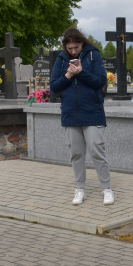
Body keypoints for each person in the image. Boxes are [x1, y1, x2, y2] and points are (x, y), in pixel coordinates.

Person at [49, 27, 113, 206]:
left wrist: (81, 73)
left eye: (76, 47)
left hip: (92, 112)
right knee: (76, 154)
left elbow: (100, 81)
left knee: (97, 151)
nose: (73, 51)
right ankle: (80, 189)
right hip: (70, 113)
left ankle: (107, 189)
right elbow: (54, 86)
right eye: (70, 48)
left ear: (82, 43)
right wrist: (69, 74)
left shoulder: (93, 55)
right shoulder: (61, 59)